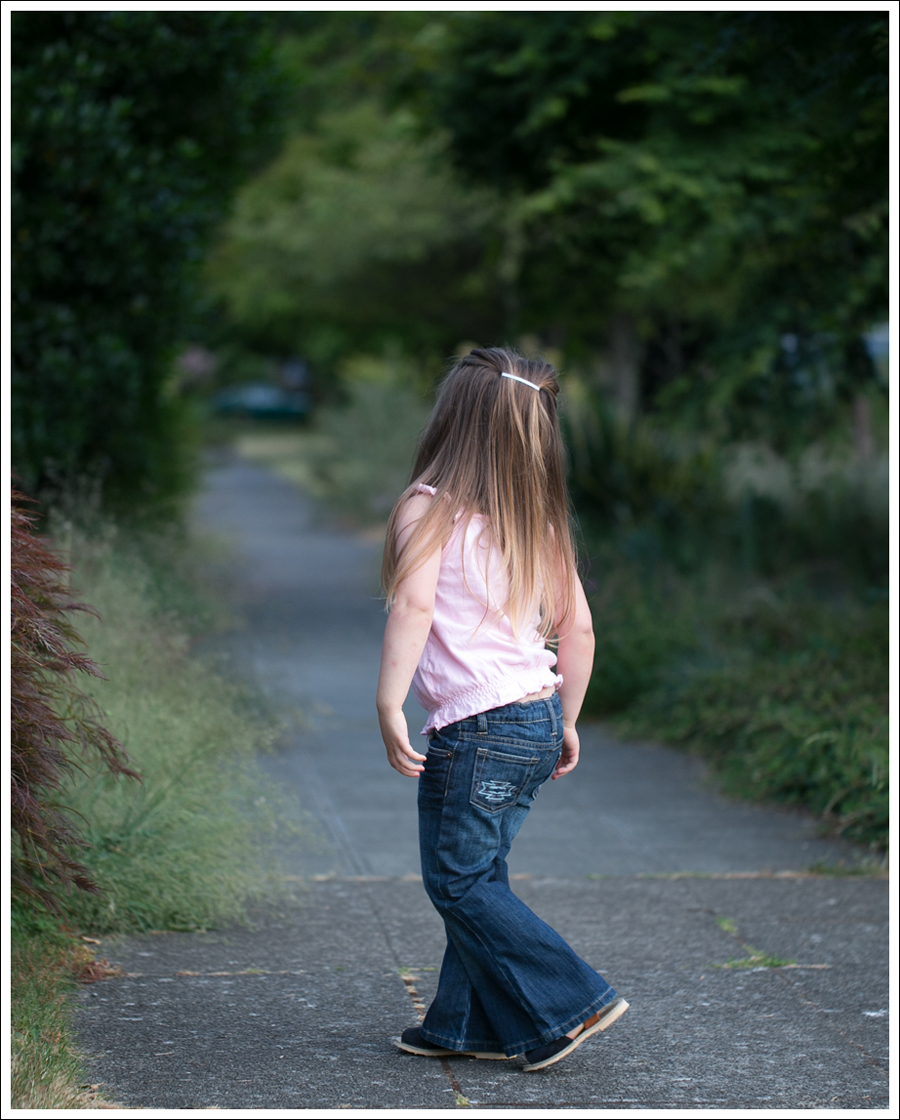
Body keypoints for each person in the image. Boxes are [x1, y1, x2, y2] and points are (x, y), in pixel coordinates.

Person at [376, 346, 628, 1073]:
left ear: (451, 419)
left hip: (477, 728)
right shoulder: (536, 521)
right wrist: (568, 719)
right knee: (482, 874)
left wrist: (390, 701)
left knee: (457, 882)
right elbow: (577, 628)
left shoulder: (424, 508)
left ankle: (570, 999)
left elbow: (415, 604)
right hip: (535, 717)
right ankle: (463, 1024)